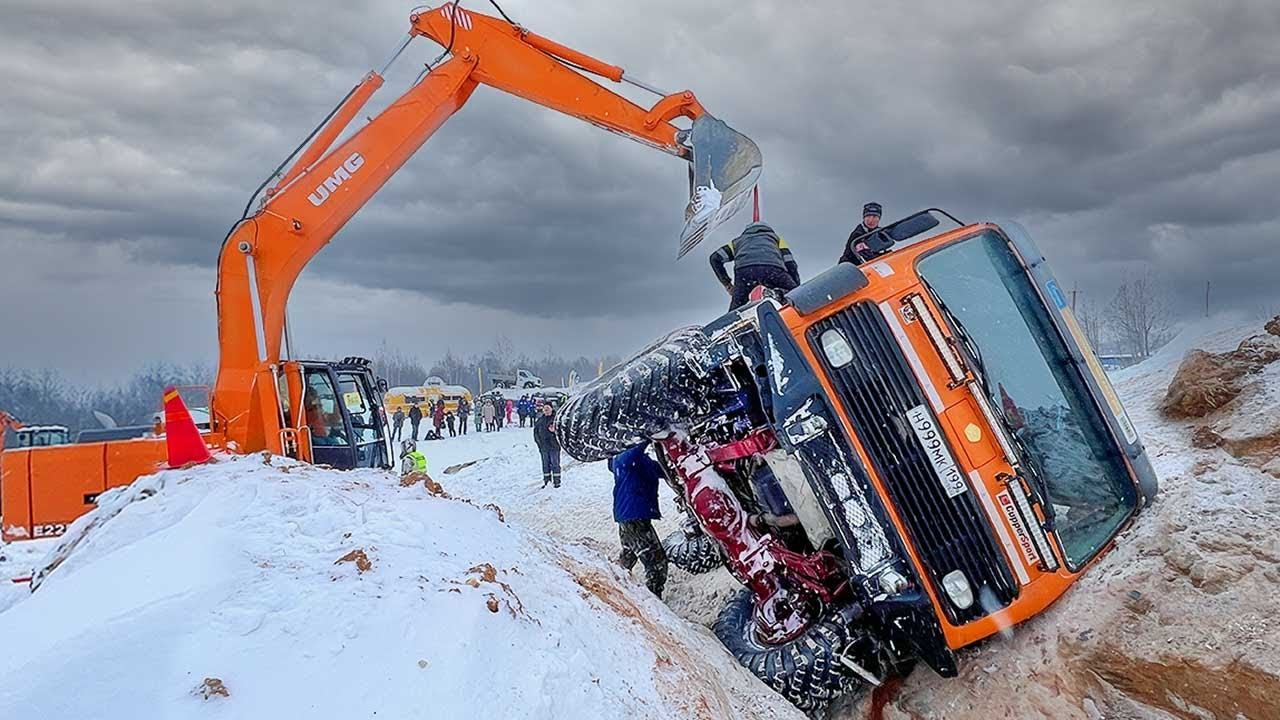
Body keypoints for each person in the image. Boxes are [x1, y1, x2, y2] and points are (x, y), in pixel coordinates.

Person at [608, 441, 668, 598]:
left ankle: (613, 585)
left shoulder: (643, 461)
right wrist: (650, 432)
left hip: (632, 515)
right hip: (633, 517)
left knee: (628, 555)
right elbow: (635, 450)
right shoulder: (623, 458)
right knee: (656, 563)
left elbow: (665, 470)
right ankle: (654, 602)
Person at [709, 222, 801, 310]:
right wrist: (796, 286)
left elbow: (715, 258)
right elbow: (790, 263)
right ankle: (776, 294)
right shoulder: (776, 239)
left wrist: (727, 284)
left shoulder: (737, 242)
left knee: (737, 306)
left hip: (745, 272)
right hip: (772, 269)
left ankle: (730, 323)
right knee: (793, 294)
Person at [532, 400, 562, 488]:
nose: (546, 410)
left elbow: (562, 432)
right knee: (545, 465)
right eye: (545, 409)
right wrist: (539, 443)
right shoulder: (540, 420)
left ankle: (557, 482)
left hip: (554, 446)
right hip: (543, 447)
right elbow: (536, 432)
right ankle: (547, 481)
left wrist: (555, 431)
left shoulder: (556, 419)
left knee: (555, 464)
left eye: (548, 409)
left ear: (552, 409)